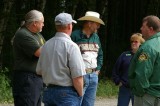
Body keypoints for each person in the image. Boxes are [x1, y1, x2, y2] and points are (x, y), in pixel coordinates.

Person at [36, 13, 86, 106]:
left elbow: (39, 71)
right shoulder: (72, 46)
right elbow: (77, 77)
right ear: (69, 26)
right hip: (67, 93)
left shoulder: (46, 45)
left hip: (49, 91)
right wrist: (80, 94)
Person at [12, 10, 45, 106]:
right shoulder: (23, 34)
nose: (43, 24)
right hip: (27, 79)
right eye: (42, 22)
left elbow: (47, 49)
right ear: (35, 23)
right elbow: (40, 53)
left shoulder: (37, 35)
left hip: (35, 79)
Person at [71, 11, 104, 106]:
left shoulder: (96, 37)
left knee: (89, 104)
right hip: (80, 75)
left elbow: (100, 54)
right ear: (90, 23)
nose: (98, 26)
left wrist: (98, 69)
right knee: (76, 102)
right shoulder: (74, 35)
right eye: (97, 24)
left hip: (93, 75)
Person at [128, 15, 160, 106]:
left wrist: (140, 92)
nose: (141, 28)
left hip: (148, 95)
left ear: (150, 29)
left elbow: (142, 73)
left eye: (143, 26)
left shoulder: (148, 47)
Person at [112, 33, 145, 106]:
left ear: (141, 43)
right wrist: (118, 81)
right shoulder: (124, 55)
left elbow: (146, 70)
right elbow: (115, 70)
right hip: (124, 88)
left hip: (137, 89)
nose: (133, 43)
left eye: (136, 41)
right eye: (132, 41)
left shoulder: (143, 56)